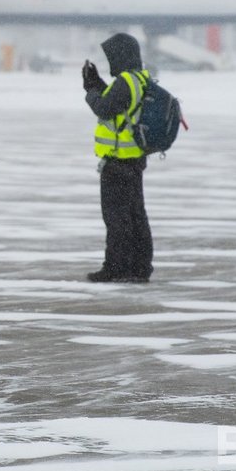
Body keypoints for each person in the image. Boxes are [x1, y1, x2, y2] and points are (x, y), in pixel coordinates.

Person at [83, 32, 154, 283]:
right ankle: (140, 266)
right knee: (136, 215)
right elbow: (118, 105)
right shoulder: (139, 79)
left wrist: (90, 88)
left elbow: (103, 107)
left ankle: (115, 267)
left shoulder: (125, 81)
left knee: (116, 218)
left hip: (118, 161)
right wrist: (99, 84)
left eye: (112, 56)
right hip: (133, 159)